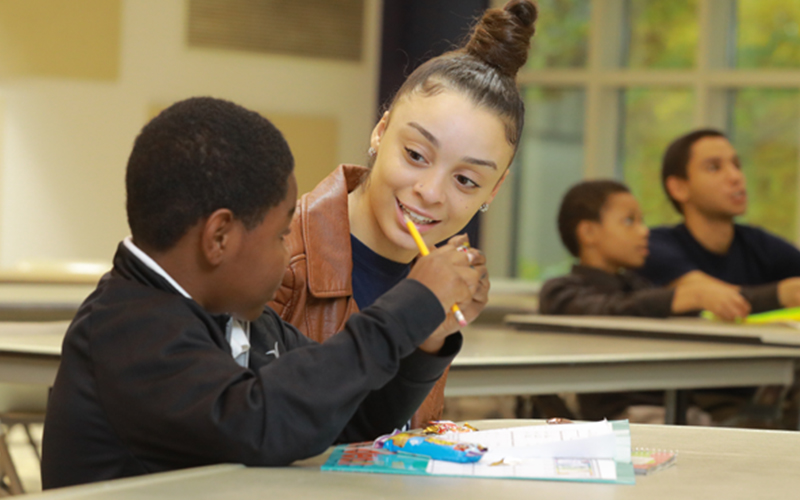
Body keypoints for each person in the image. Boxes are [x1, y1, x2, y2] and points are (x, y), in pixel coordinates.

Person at [41, 97, 481, 489]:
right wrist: (414, 300)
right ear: (219, 238)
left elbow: (351, 416)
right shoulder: (129, 329)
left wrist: (428, 334)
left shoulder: (238, 320)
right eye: (281, 233)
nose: (288, 247)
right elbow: (260, 424)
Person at [268, 0, 538, 427]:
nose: (429, 192)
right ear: (381, 130)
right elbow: (264, 427)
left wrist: (432, 333)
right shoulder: (274, 257)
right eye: (415, 154)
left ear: (495, 188)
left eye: (466, 180)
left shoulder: (441, 284)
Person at [540, 180, 753, 320]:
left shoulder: (637, 284)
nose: (644, 231)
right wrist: (691, 295)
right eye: (629, 221)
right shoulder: (559, 292)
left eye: (643, 221)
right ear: (588, 232)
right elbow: (612, 309)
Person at [639, 129, 800, 314]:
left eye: (737, 165)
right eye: (714, 167)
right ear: (678, 188)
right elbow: (711, 296)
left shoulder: (761, 245)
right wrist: (781, 294)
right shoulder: (652, 246)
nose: (735, 177)